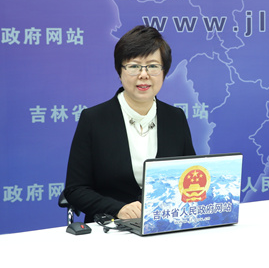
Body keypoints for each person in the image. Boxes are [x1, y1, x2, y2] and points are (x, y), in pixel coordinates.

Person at [64, 25, 195, 222]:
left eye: (153, 66)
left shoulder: (175, 118)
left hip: (165, 224)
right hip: (111, 226)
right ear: (120, 72)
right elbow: (75, 189)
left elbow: (189, 176)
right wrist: (118, 209)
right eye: (134, 66)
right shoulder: (93, 119)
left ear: (164, 72)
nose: (144, 75)